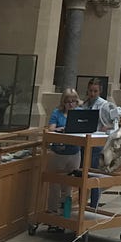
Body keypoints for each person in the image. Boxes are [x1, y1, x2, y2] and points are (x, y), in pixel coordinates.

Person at [46, 88, 81, 227]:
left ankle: (65, 213)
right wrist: (59, 129)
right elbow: (51, 128)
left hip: (74, 152)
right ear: (63, 102)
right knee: (55, 184)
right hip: (59, 153)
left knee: (68, 185)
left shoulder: (79, 113)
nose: (71, 104)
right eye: (68, 101)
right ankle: (52, 214)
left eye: (73, 101)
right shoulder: (57, 113)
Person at [79, 77, 109, 209]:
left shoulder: (104, 105)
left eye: (95, 91)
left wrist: (104, 128)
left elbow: (110, 123)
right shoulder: (84, 104)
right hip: (84, 143)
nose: (92, 94)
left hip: (97, 144)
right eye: (90, 91)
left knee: (94, 175)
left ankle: (94, 205)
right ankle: (82, 204)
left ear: (100, 91)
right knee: (82, 174)